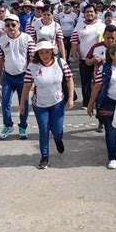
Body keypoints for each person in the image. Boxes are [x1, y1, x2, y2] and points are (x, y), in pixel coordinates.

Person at [20, 41, 75, 169]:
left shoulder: (60, 63)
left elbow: (69, 79)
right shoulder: (32, 66)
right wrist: (22, 103)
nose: (45, 55)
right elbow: (27, 85)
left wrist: (71, 98)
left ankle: (58, 139)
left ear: (52, 51)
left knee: (57, 130)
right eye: (42, 52)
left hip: (57, 102)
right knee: (44, 130)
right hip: (40, 105)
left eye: (47, 52)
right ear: (38, 54)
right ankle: (44, 156)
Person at [0, 14, 36, 140]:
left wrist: (32, 77)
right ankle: (8, 125)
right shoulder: (2, 40)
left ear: (18, 25)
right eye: (7, 25)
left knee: (23, 102)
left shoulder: (27, 38)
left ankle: (23, 126)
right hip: (7, 76)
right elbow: (0, 58)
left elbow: (33, 58)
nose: (10, 28)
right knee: (5, 102)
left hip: (23, 76)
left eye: (13, 24)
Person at [71, 4, 106, 109]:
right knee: (85, 81)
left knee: (99, 80)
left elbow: (107, 42)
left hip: (99, 59)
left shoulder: (101, 26)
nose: (89, 14)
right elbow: (74, 40)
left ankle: (99, 100)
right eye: (87, 12)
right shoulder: (79, 25)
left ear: (96, 13)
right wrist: (74, 53)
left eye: (91, 12)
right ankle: (86, 101)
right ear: (84, 14)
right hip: (84, 58)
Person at [85, 24, 116, 133]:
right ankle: (101, 120)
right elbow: (87, 61)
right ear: (103, 36)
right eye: (108, 37)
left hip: (115, 82)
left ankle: (113, 122)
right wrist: (94, 60)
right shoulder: (96, 47)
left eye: (113, 38)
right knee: (99, 101)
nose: (110, 40)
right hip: (99, 81)